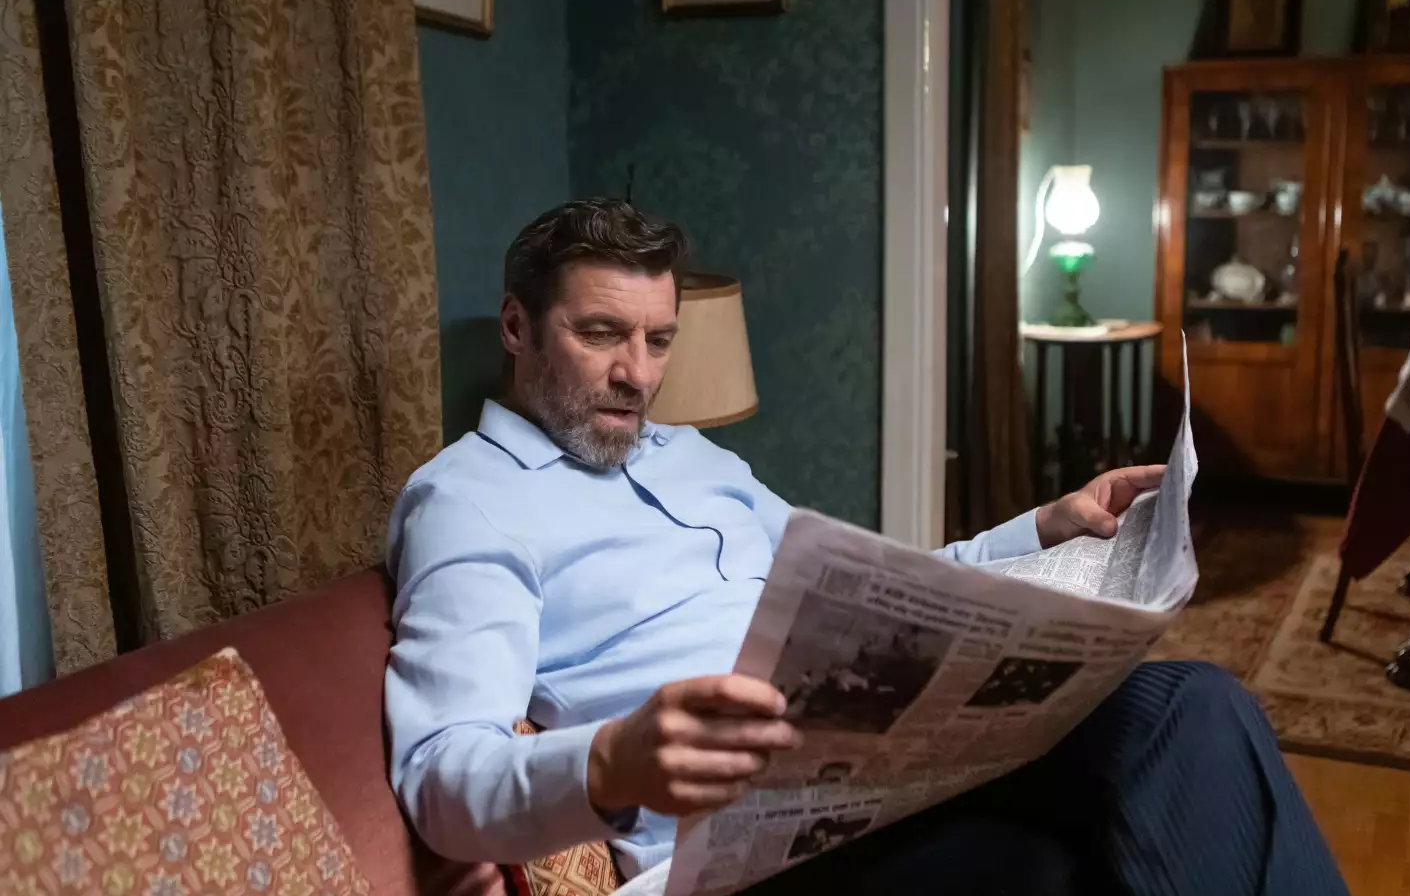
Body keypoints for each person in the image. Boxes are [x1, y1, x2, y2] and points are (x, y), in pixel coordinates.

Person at [384, 198, 1348, 894]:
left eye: (660, 340)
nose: (639, 376)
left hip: (882, 764)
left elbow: (882, 592)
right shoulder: (467, 501)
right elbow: (439, 774)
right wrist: (609, 763)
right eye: (602, 335)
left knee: (1191, 706)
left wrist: (1045, 529)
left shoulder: (695, 458)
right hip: (752, 850)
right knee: (1050, 866)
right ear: (516, 327)